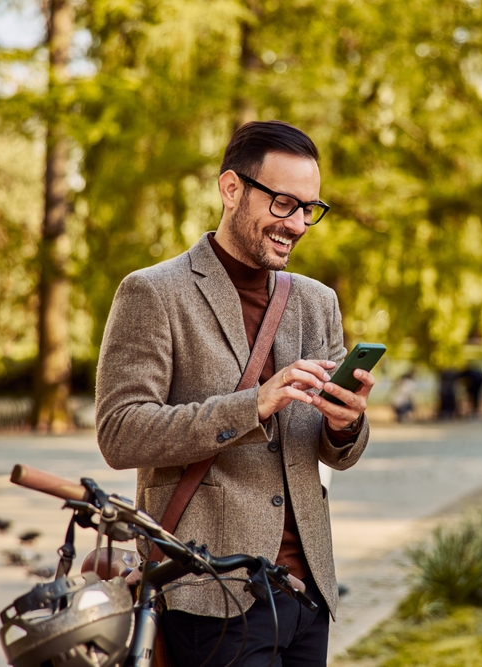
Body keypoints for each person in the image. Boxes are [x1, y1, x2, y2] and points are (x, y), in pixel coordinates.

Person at [95, 120, 374, 667]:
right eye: (283, 203)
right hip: (209, 595)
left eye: (309, 209)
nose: (297, 224)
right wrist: (254, 404)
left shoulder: (318, 303)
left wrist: (347, 423)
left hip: (307, 595)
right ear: (231, 189)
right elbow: (119, 433)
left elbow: (338, 453)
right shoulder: (152, 292)